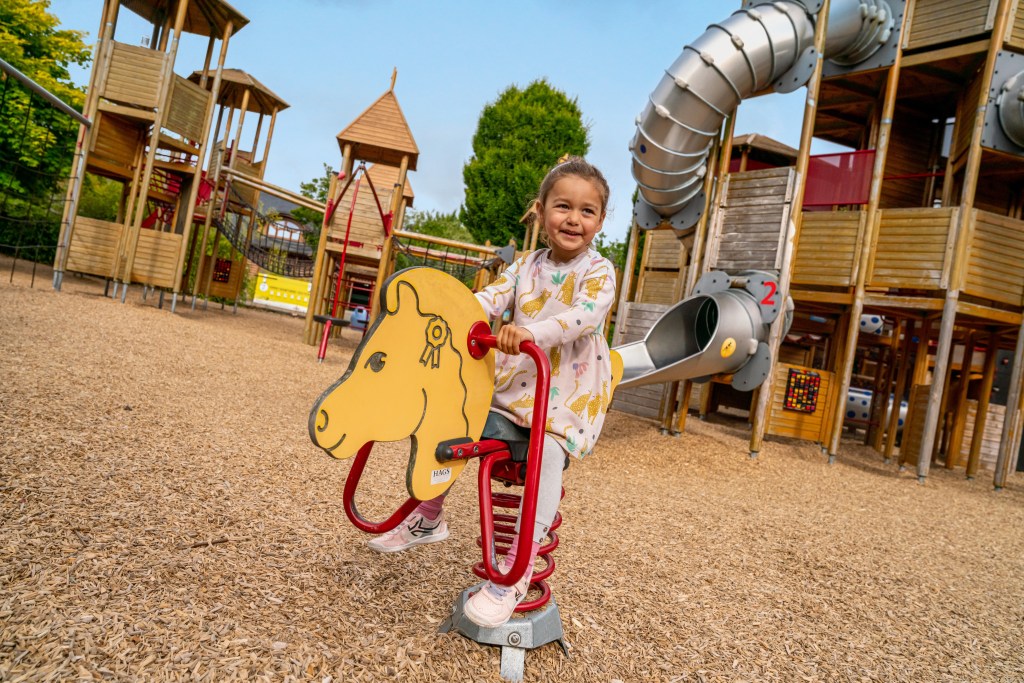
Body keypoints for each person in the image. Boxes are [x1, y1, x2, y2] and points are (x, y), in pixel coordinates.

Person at [368, 156, 618, 628]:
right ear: (541, 211)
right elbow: (487, 299)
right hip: (512, 389)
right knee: (454, 422)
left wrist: (531, 334)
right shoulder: (525, 265)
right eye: (563, 206)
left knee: (545, 453)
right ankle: (429, 515)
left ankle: (513, 574)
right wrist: (454, 313)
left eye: (587, 211)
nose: (574, 219)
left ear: (600, 222)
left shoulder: (600, 272)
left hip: (561, 399)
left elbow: (584, 316)